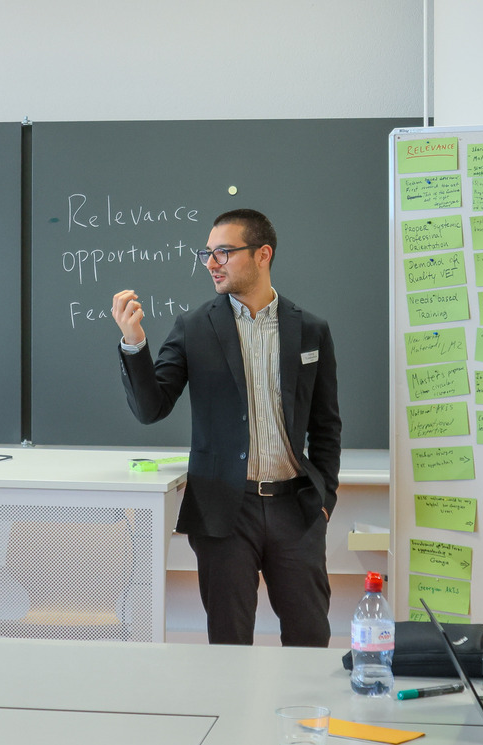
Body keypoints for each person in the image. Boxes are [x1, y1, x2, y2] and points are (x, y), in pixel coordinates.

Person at [111, 209, 340, 646]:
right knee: (229, 644)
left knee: (310, 638)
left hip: (296, 508)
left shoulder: (310, 329)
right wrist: (134, 342)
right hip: (224, 511)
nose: (211, 263)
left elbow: (326, 424)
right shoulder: (194, 327)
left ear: (262, 254)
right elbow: (151, 409)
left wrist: (325, 498)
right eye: (207, 254)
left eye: (223, 252)